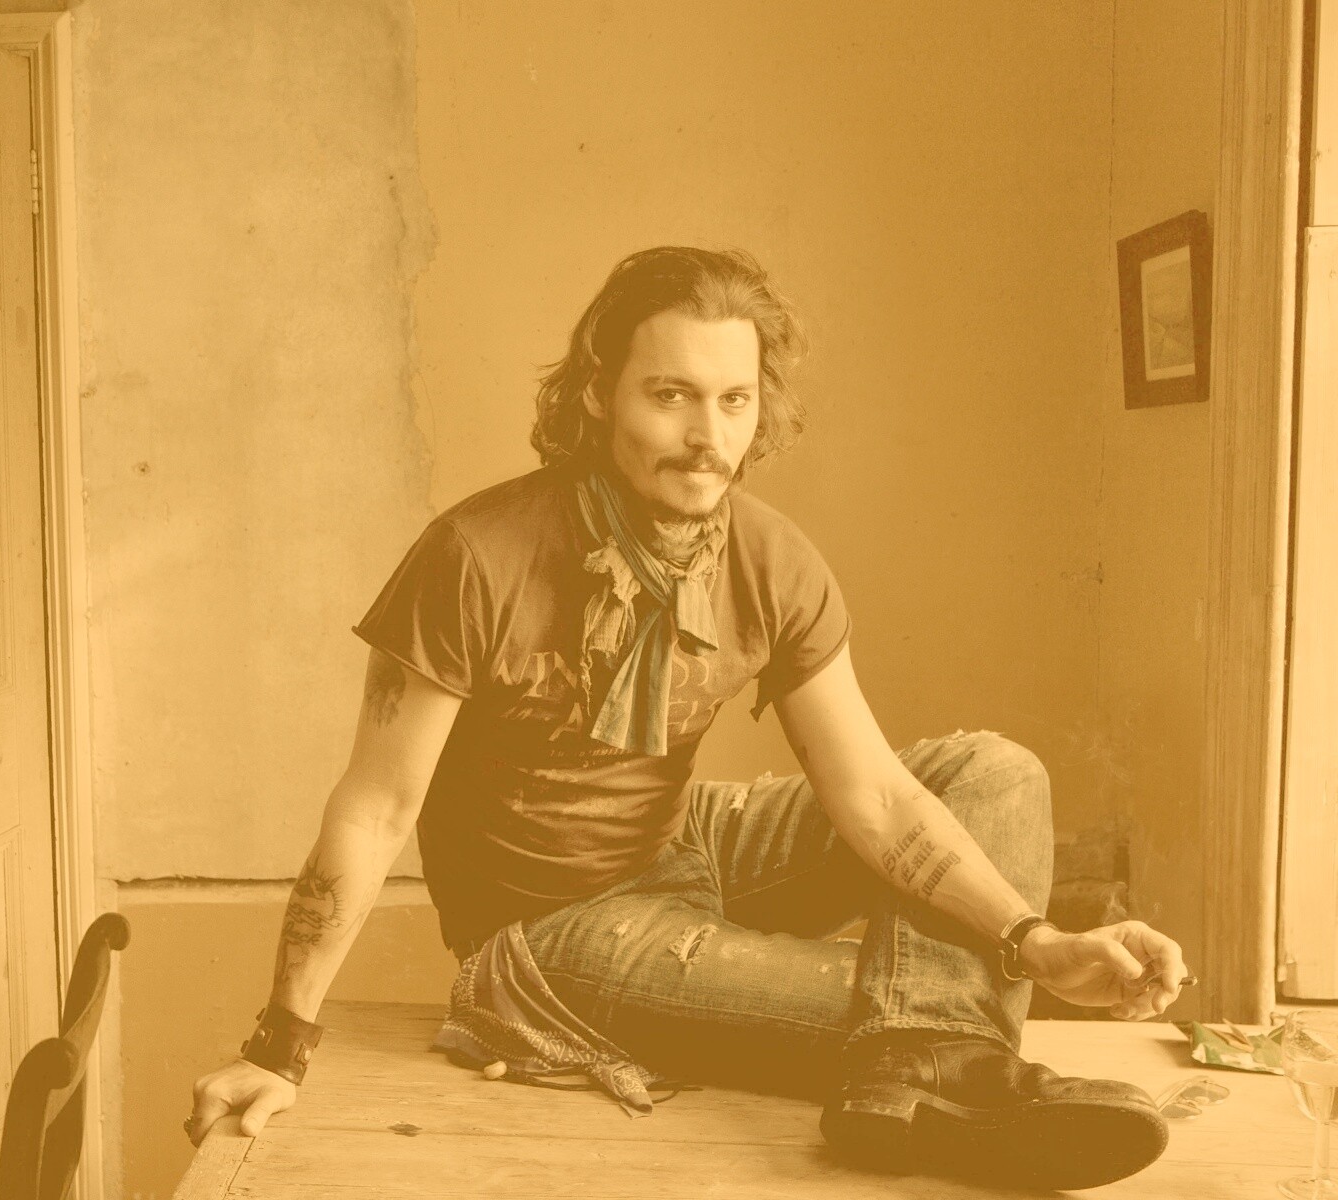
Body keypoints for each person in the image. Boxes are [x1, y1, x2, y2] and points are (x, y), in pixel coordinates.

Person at [187, 245, 1189, 1190]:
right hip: (549, 934)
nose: (710, 437)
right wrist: (278, 1044)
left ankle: (923, 1066)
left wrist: (1034, 941)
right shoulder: (474, 556)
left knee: (995, 773)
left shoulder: (771, 557)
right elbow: (375, 810)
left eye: (733, 399)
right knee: (881, 996)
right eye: (670, 396)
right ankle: (949, 1069)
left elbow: (877, 798)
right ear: (597, 393)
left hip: (685, 841)